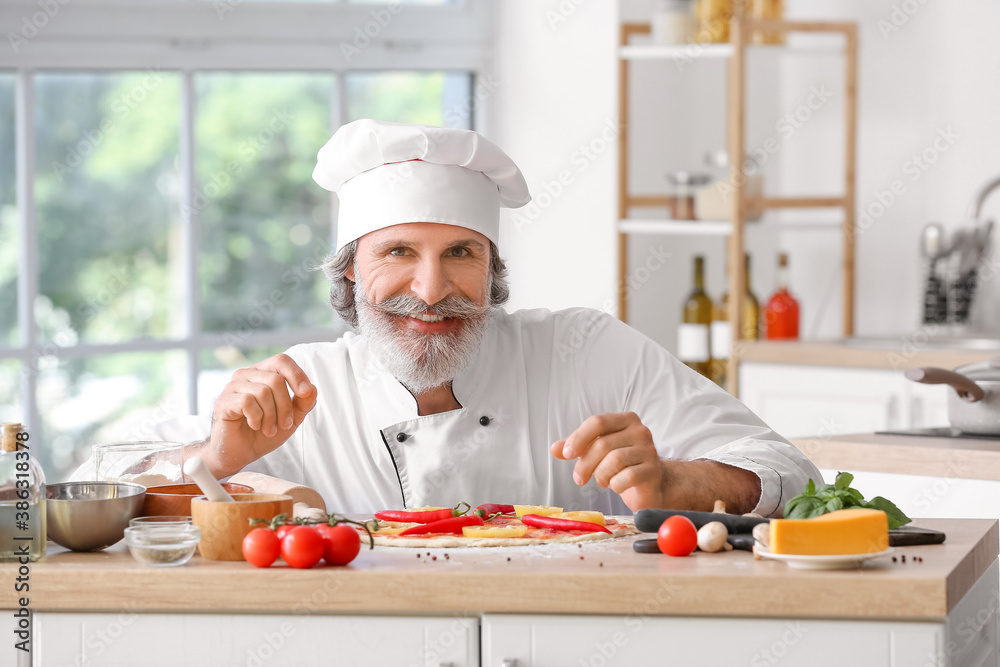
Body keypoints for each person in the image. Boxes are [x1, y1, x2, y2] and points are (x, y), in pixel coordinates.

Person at [157, 119, 821, 516]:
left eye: (460, 253)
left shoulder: (584, 349)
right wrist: (215, 460)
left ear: (491, 266)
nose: (432, 286)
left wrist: (678, 479)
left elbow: (788, 471)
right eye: (397, 251)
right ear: (352, 268)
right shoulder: (297, 386)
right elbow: (112, 472)